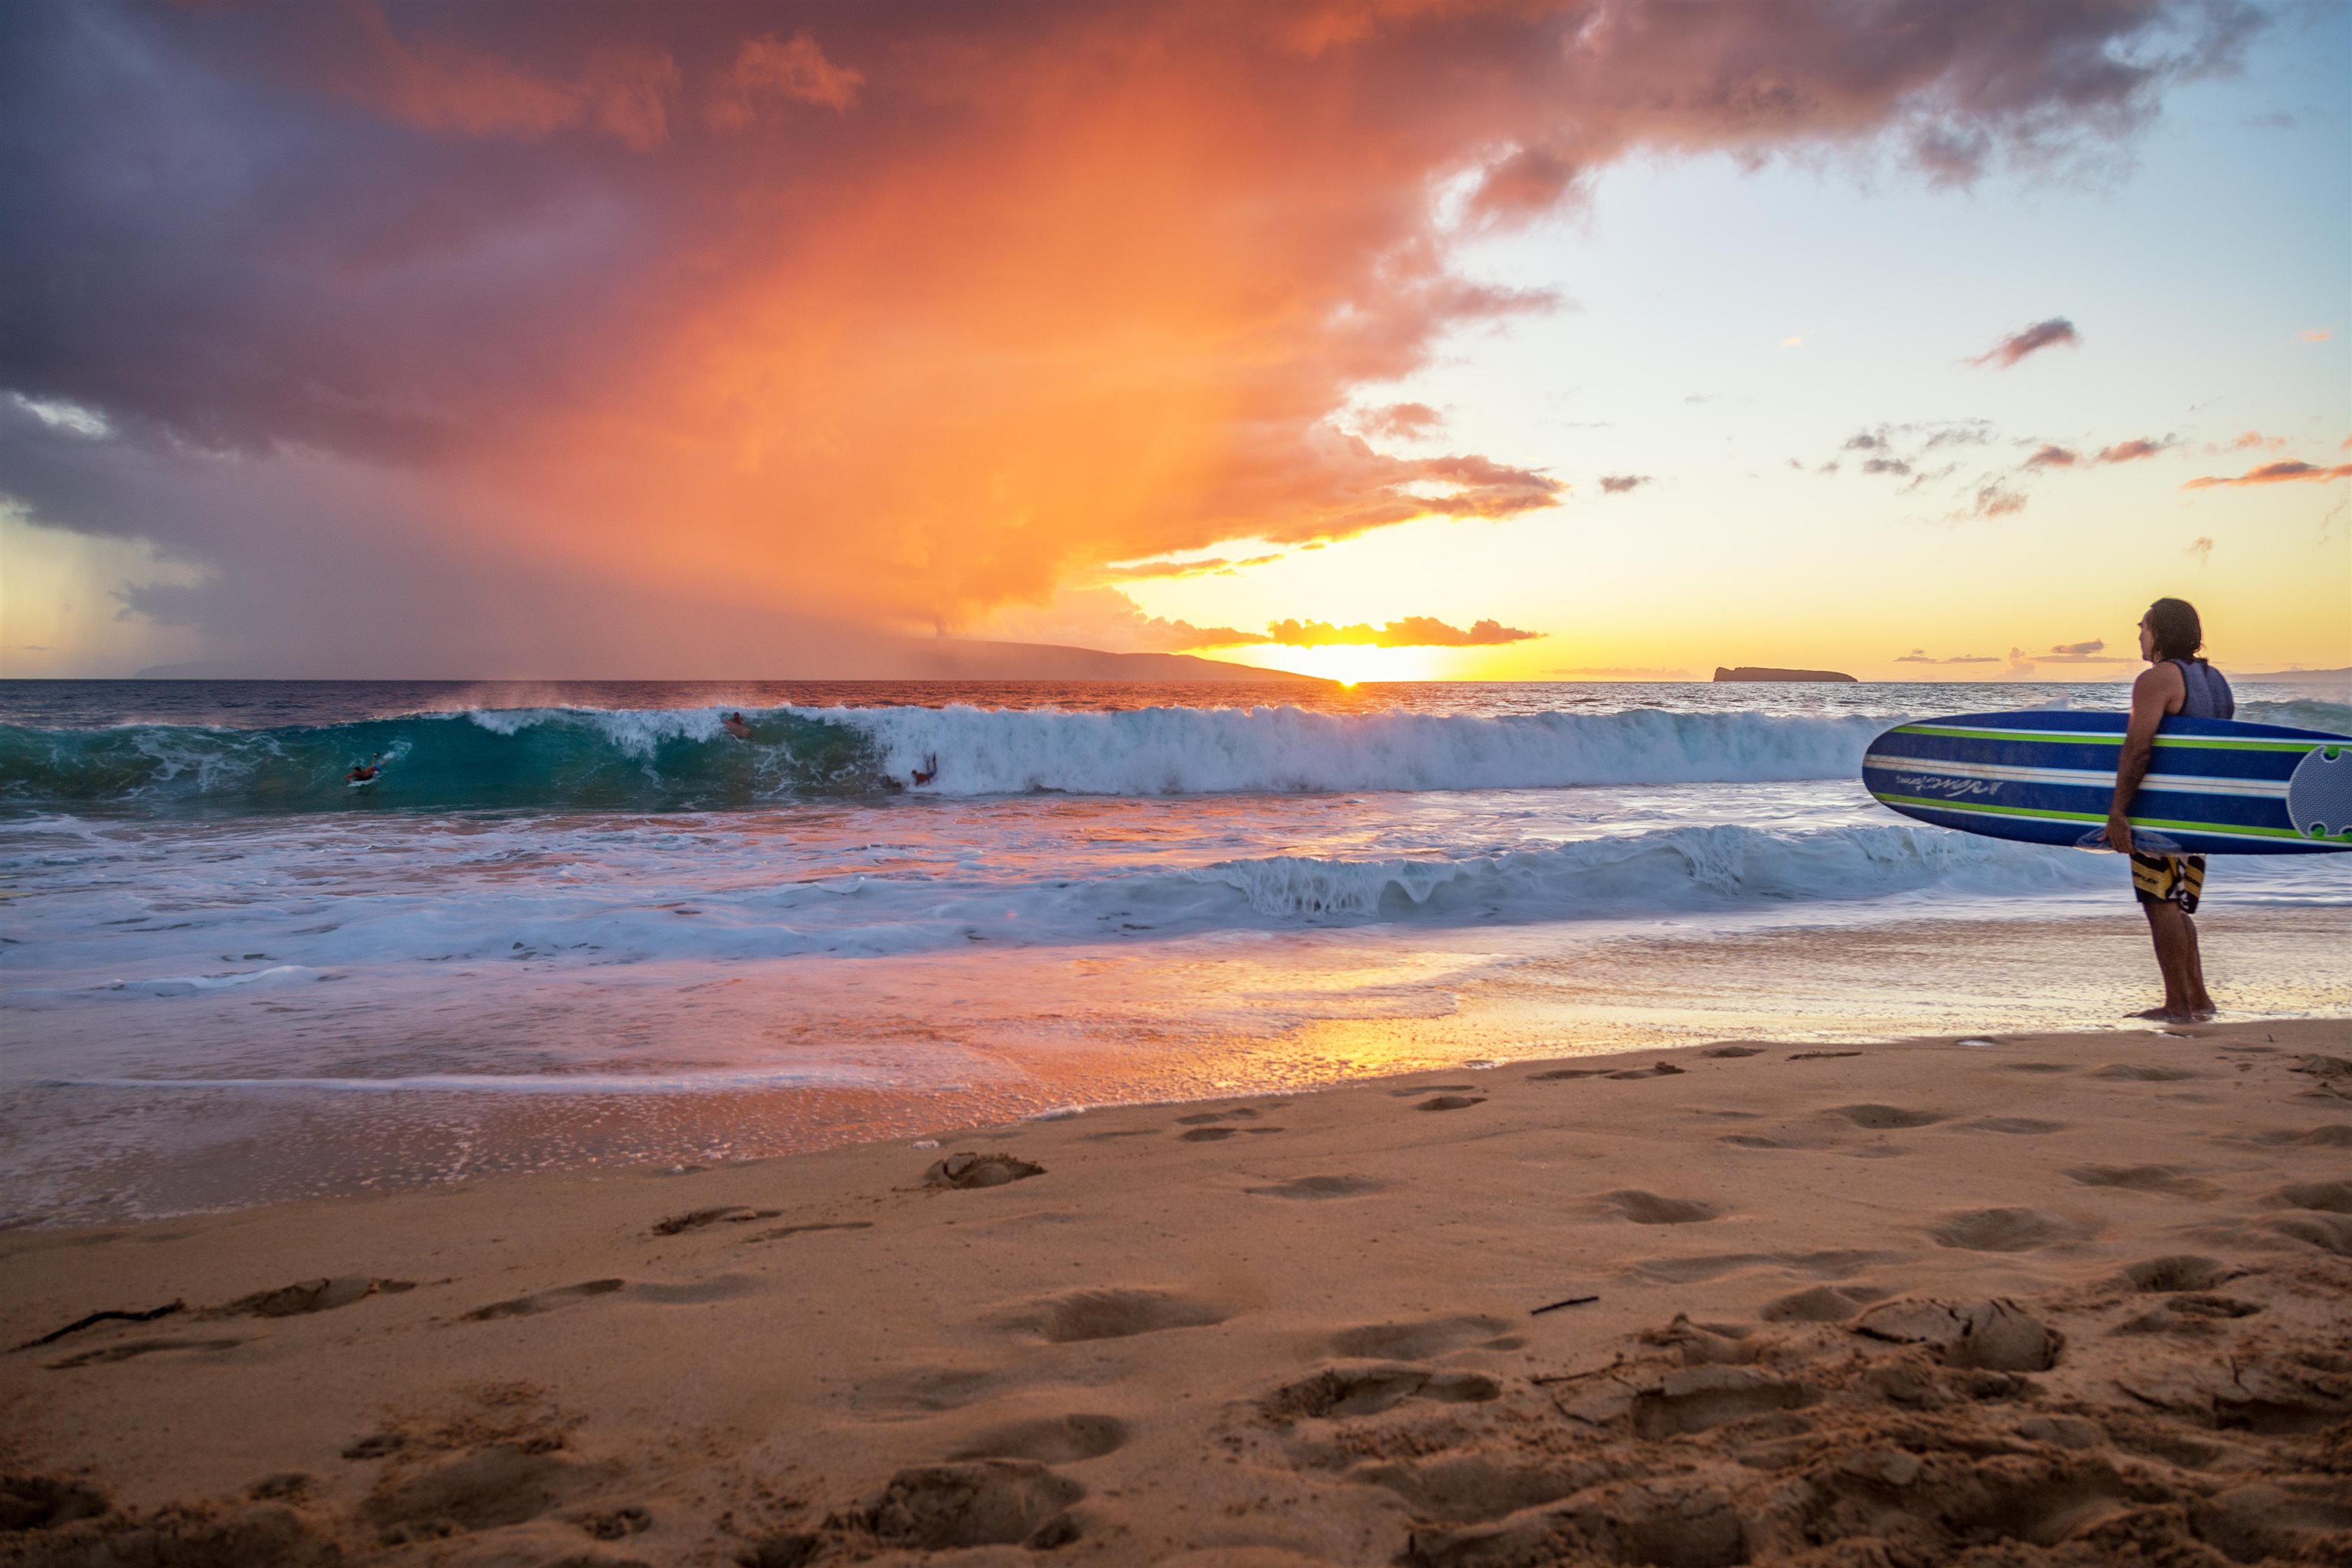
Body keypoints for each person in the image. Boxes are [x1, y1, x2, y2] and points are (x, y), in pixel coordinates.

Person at [2102, 597, 2232, 1022]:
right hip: (2198, 813)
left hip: (2159, 814)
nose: (2140, 635)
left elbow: (2138, 750)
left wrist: (2118, 812)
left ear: (2159, 632)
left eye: (2143, 626)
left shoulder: (2156, 679)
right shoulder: (2215, 681)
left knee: (2160, 904)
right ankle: (2198, 999)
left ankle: (2176, 1005)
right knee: (2176, 905)